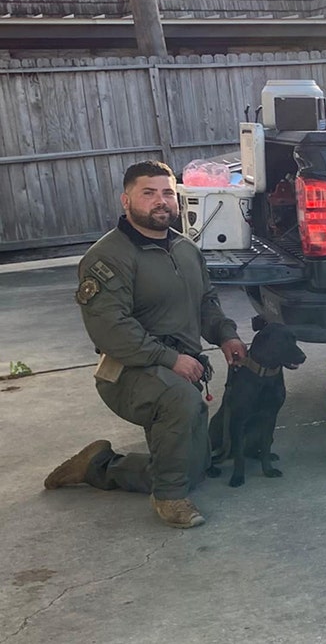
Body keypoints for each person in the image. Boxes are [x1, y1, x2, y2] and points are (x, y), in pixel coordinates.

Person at [44, 161, 247, 528]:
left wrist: (226, 335)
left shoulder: (186, 249)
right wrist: (170, 359)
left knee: (195, 468)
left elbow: (206, 303)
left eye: (168, 193)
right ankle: (170, 499)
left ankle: (98, 466)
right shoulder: (107, 257)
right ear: (127, 201)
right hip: (126, 373)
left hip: (175, 369)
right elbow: (110, 328)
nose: (161, 201)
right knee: (181, 400)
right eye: (148, 193)